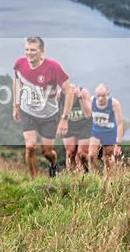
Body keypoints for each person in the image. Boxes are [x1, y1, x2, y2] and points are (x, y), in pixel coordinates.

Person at [12, 36, 74, 178]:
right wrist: (15, 105)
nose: (29, 53)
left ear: (41, 51)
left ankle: (53, 164)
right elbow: (16, 82)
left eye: (33, 50)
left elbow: (69, 91)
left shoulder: (53, 67)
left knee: (46, 152)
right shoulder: (20, 64)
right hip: (28, 111)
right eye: (26, 49)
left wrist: (64, 119)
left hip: (49, 115)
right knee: (30, 147)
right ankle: (34, 179)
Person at [88, 83, 123, 177]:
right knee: (91, 155)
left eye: (103, 96)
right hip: (95, 132)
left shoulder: (114, 104)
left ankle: (109, 180)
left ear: (107, 94)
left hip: (109, 133)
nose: (100, 98)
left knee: (107, 159)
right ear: (95, 95)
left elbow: (120, 124)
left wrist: (118, 143)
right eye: (98, 96)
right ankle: (94, 177)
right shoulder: (90, 101)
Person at [60, 83, 92, 173]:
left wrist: (80, 97)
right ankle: (72, 178)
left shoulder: (84, 92)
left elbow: (88, 114)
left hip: (85, 124)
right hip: (70, 124)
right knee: (70, 153)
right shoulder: (60, 94)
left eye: (72, 97)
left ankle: (88, 172)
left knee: (82, 154)